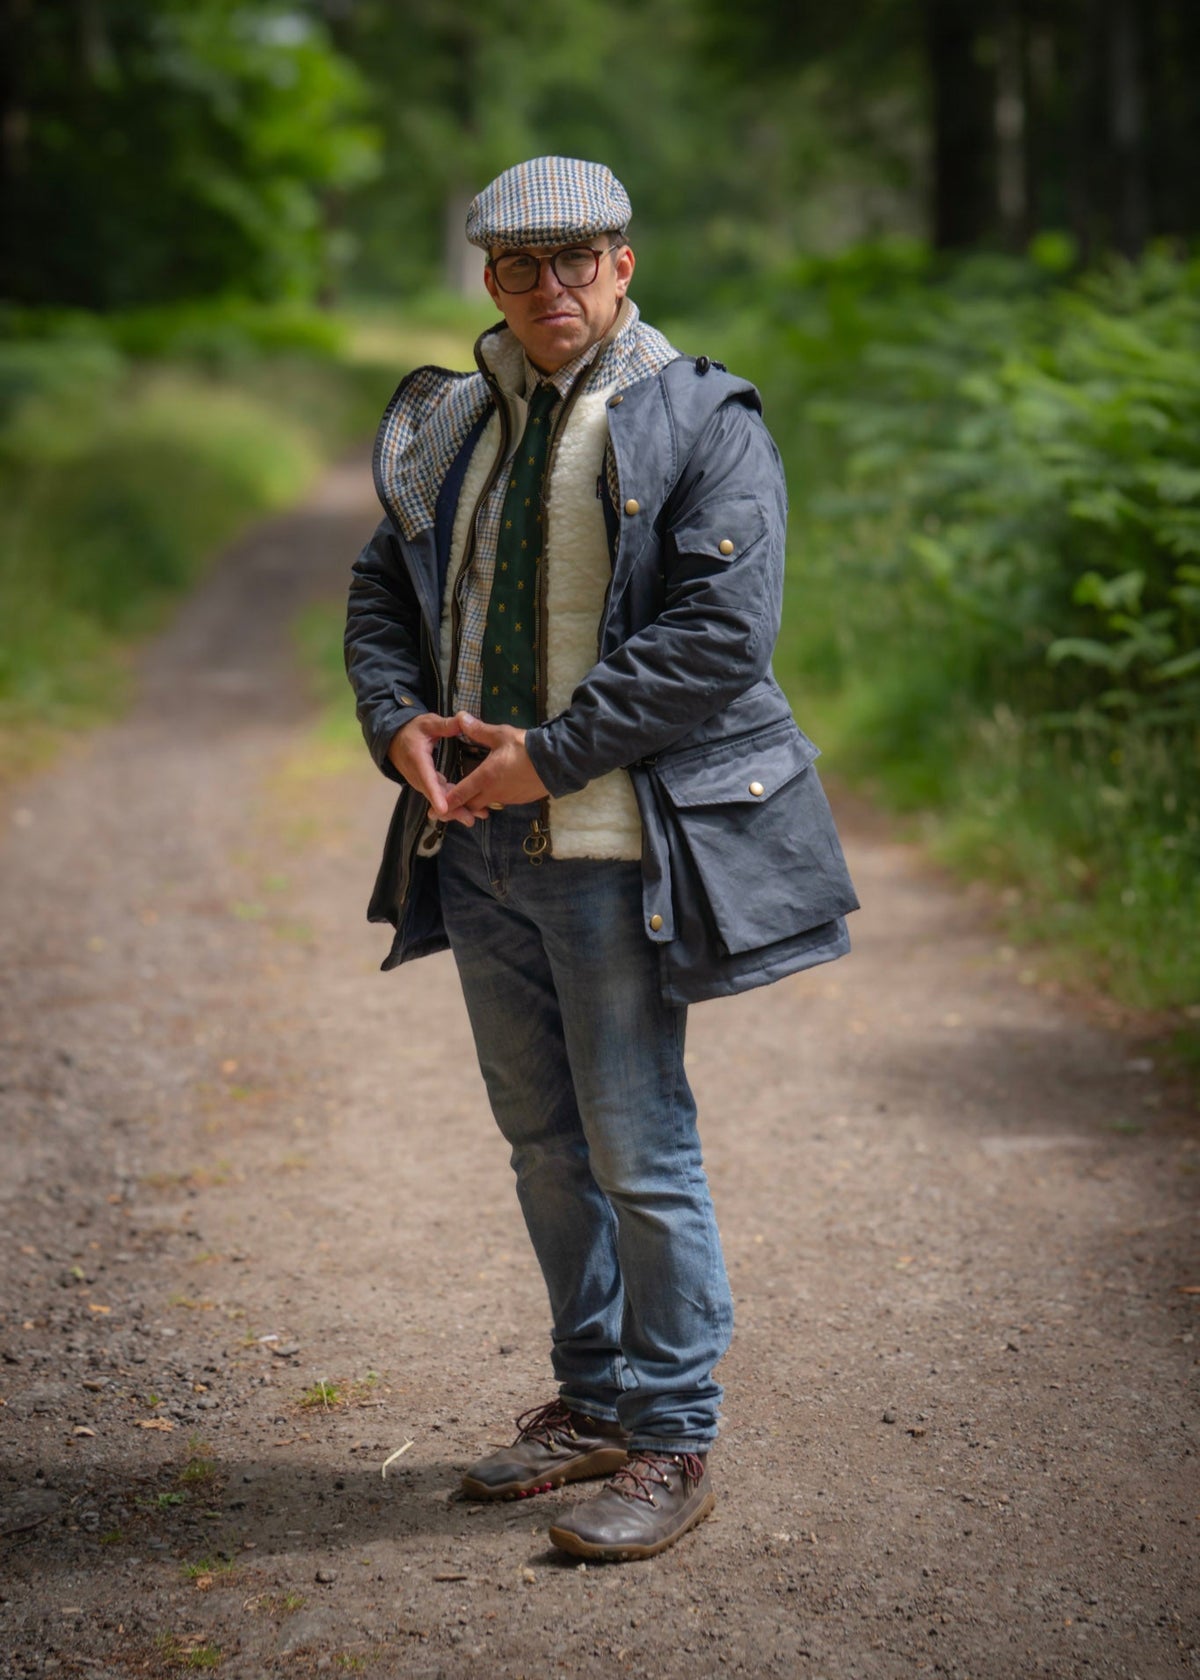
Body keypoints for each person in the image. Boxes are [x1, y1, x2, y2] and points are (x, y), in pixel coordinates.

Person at [344, 156, 858, 1562]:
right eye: (520, 267)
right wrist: (398, 724)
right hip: (475, 848)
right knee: (540, 1144)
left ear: (624, 263)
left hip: (605, 844)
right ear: (488, 279)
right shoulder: (448, 420)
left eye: (578, 260)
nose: (550, 289)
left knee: (637, 1147)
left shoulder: (701, 416)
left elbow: (716, 638)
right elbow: (382, 587)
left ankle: (676, 1435)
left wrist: (548, 755)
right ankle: (596, 1403)